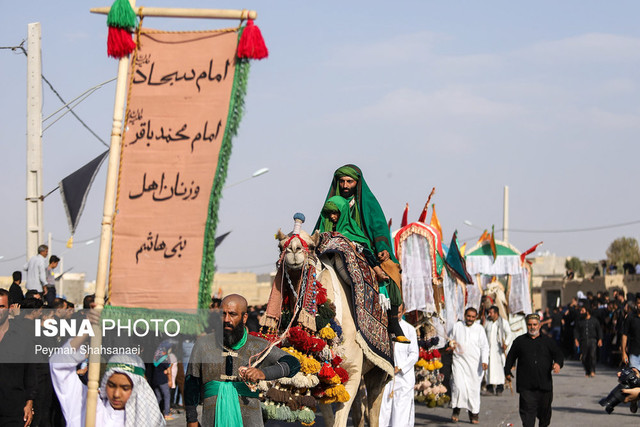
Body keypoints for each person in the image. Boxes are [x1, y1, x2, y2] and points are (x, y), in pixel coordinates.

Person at [315, 164, 408, 343]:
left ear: (356, 183)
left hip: (364, 248)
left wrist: (382, 249)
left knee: (389, 272)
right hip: (333, 247)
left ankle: (393, 322)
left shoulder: (367, 203)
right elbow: (320, 227)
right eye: (341, 181)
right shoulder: (332, 204)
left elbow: (378, 226)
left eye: (349, 181)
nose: (345, 185)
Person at [185, 294, 301, 427]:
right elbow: (191, 383)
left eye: (232, 314)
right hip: (212, 419)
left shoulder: (258, 345)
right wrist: (191, 419)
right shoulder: (203, 344)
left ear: (244, 317)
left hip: (250, 419)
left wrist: (263, 373)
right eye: (223, 314)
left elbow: (293, 364)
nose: (226, 319)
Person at [49, 310, 165, 426]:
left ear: (137, 388)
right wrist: (87, 328)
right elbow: (59, 365)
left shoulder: (147, 419)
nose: (116, 394)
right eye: (111, 385)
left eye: (125, 388)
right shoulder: (87, 405)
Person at [505, 313, 564, 427]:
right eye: (530, 325)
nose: (532, 327)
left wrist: (557, 364)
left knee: (545, 416)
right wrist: (507, 371)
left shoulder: (548, 341)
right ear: (526, 325)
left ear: (539, 325)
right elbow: (511, 357)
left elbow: (559, 355)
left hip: (544, 386)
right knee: (527, 416)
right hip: (526, 386)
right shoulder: (519, 341)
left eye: (535, 325)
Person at [0, 288, 37, 426]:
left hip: (13, 410)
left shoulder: (23, 338)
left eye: (1, 307)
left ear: (10, 308)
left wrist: (29, 403)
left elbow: (30, 374)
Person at [379, 304, 419, 426]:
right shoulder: (383, 327)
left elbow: (414, 354)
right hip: (385, 377)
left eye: (399, 312)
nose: (396, 315)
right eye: (394, 312)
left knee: (400, 414)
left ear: (404, 311)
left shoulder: (409, 330)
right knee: (382, 412)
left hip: (403, 378)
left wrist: (400, 367)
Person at [450, 307, 489, 424]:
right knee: (458, 386)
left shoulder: (479, 329)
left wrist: (484, 360)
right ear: (464, 315)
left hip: (474, 365)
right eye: (468, 316)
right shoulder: (457, 326)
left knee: (473, 390)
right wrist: (451, 344)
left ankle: (474, 414)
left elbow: (484, 346)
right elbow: (451, 339)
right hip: (459, 362)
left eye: (473, 317)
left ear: (476, 317)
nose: (470, 319)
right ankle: (456, 410)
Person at [483, 305, 513, 396]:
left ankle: (500, 388)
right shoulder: (487, 323)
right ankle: (490, 388)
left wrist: (506, 344)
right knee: (488, 370)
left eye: (491, 313)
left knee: (499, 369)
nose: (489, 314)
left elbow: (509, 334)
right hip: (488, 350)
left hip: (498, 351)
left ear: (496, 313)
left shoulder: (503, 322)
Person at [574, 306, 602, 377]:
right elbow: (576, 331)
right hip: (583, 341)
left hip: (592, 340)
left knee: (592, 355)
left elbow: (599, 330)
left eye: (582, 311)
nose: (581, 312)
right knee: (584, 357)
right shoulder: (580, 321)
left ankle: (592, 370)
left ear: (587, 311)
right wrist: (576, 340)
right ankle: (587, 371)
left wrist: (600, 339)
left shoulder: (595, 320)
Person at [621, 301, 640, 369]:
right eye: (638, 303)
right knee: (634, 377)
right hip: (634, 353)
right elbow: (624, 335)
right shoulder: (630, 317)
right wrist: (623, 352)